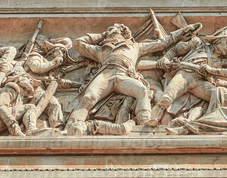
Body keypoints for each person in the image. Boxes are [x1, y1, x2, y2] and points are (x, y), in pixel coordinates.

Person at [66, 22, 201, 135]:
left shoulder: (136, 46)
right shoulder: (100, 50)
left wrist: (181, 32)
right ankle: (71, 127)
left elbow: (162, 43)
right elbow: (78, 44)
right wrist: (101, 35)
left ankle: (145, 123)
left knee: (141, 90)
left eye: (114, 29)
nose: (110, 32)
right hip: (105, 74)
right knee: (88, 98)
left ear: (124, 33)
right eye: (109, 30)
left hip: (123, 74)